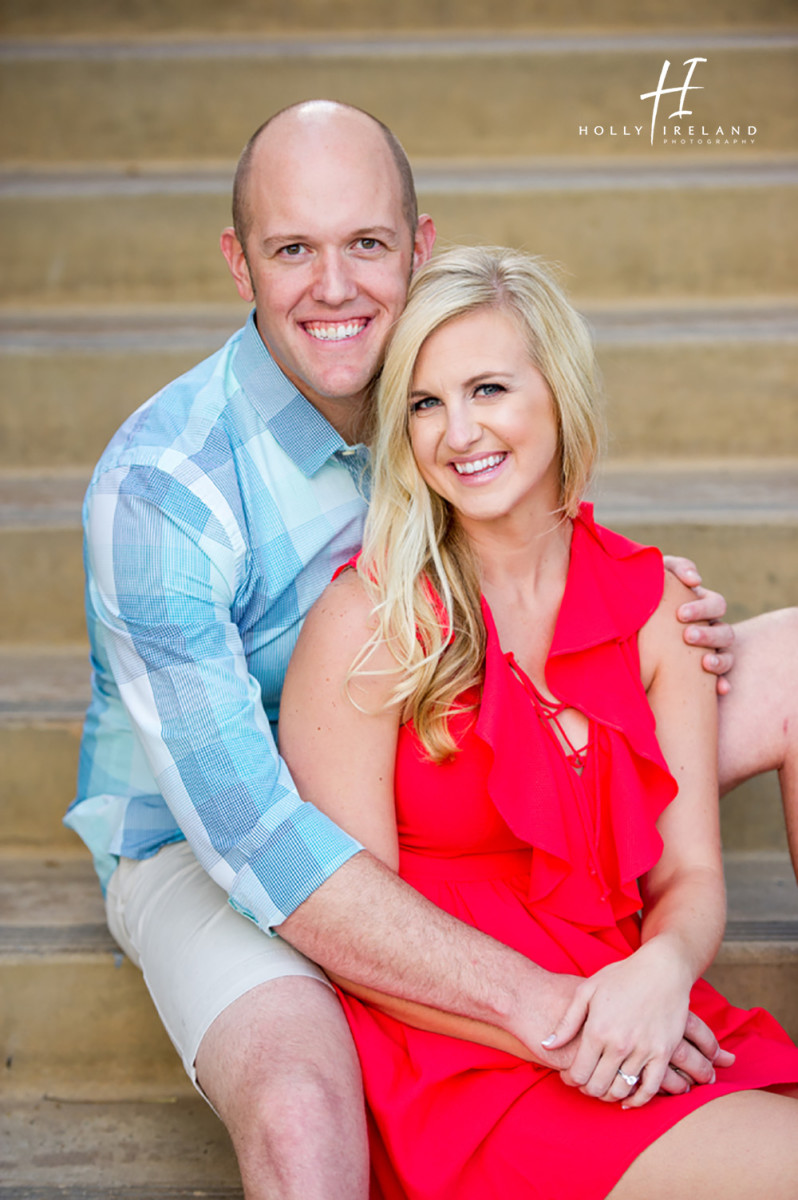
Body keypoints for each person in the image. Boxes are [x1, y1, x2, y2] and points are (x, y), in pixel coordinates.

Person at [64, 100, 797, 1199]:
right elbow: (266, 841)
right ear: (238, 263)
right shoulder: (166, 490)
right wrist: (550, 1007)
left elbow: (522, 539)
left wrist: (650, 608)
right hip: (216, 833)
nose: (334, 286)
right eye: (291, 250)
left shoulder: (423, 388)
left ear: (420, 246)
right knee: (308, 1113)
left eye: (365, 243)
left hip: (457, 739)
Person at [278, 245, 798, 1199]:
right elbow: (355, 934)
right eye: (426, 403)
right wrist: (563, 1030)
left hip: (626, 1008)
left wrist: (663, 971)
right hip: (462, 1052)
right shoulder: (370, 622)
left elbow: (687, 874)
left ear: (558, 393)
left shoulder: (651, 609)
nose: (458, 431)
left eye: (488, 388)